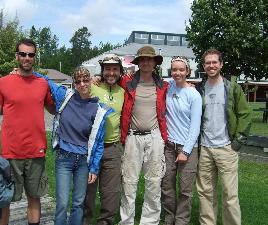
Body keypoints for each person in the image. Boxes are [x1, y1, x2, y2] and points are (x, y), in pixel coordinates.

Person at [0, 38, 54, 225]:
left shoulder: (43, 84)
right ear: (17, 56)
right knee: (4, 199)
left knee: (34, 197)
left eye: (31, 54)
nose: (26, 58)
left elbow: (54, 109)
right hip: (10, 153)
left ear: (35, 57)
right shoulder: (2, 83)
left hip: (36, 151)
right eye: (23, 54)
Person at [34, 67, 113, 225]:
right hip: (64, 159)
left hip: (83, 161)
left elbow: (98, 143)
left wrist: (94, 168)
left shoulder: (98, 110)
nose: (82, 84)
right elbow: (47, 82)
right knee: (62, 203)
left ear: (91, 81)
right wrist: (27, 73)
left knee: (78, 204)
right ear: (74, 84)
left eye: (85, 80)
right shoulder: (65, 97)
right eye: (78, 81)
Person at [196, 49, 251, 225]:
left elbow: (244, 114)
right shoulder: (200, 88)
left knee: (230, 194)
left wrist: (237, 142)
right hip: (205, 148)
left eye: (214, 62)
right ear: (203, 66)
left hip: (226, 148)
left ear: (221, 64)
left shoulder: (232, 87)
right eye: (207, 63)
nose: (211, 65)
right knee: (205, 193)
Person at [119, 46, 168, 225]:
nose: (146, 62)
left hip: (155, 138)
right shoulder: (127, 83)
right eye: (143, 59)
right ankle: (126, 221)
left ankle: (150, 221)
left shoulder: (164, 85)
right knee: (129, 182)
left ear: (155, 62)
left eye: (150, 59)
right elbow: (108, 81)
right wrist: (96, 78)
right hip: (132, 137)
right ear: (138, 63)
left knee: (154, 183)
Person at [83, 54, 125, 225]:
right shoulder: (92, 87)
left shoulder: (123, 91)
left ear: (120, 72)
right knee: (87, 191)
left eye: (115, 69)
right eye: (107, 69)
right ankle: (84, 221)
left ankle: (105, 222)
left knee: (111, 194)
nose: (111, 73)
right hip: (91, 148)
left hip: (113, 148)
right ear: (102, 71)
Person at [161, 56, 202, 225]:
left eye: (181, 70)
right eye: (174, 70)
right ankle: (169, 218)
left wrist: (185, 151)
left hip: (188, 148)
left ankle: (181, 221)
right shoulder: (167, 87)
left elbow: (195, 126)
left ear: (187, 72)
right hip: (169, 146)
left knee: (185, 189)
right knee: (167, 186)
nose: (177, 73)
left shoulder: (194, 94)